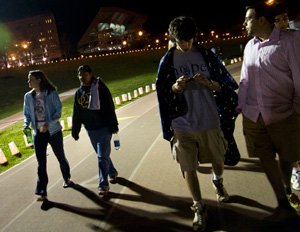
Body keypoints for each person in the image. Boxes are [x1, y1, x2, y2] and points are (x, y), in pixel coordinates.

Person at [156, 16, 239, 232]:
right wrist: (176, 88)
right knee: (188, 166)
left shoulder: (205, 55)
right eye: (181, 41)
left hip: (209, 119)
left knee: (217, 159)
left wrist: (209, 83)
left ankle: (217, 181)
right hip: (182, 123)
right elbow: (164, 92)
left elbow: (225, 86)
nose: (186, 45)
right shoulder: (167, 61)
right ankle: (199, 206)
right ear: (173, 39)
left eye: (189, 40)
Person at [237, 3, 300, 223]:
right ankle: (283, 203)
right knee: (265, 158)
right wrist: (241, 107)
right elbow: (245, 80)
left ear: (262, 20)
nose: (244, 23)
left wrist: (296, 110)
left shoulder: (289, 42)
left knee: (286, 157)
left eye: (248, 18)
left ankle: (287, 193)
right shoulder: (249, 47)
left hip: (283, 114)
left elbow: (299, 78)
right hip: (254, 115)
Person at [23, 70, 73, 201]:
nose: (28, 82)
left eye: (31, 79)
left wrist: (48, 124)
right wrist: (25, 125)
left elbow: (58, 111)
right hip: (37, 133)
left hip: (53, 132)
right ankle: (42, 191)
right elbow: (27, 114)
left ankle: (66, 178)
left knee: (60, 156)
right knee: (41, 163)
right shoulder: (28, 96)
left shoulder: (51, 93)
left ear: (39, 79)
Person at [72, 65, 119, 196]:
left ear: (91, 74)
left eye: (85, 74)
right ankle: (112, 172)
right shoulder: (78, 93)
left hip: (104, 128)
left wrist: (113, 125)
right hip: (90, 129)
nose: (82, 77)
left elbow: (110, 106)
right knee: (102, 155)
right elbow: (77, 113)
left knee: (101, 156)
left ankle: (103, 185)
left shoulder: (100, 88)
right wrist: (75, 130)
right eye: (80, 75)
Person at [274, 6, 300, 192]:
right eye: (278, 20)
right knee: (291, 138)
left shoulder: (296, 36)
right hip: (286, 98)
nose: (283, 23)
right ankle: (296, 170)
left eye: (285, 18)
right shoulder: (270, 43)